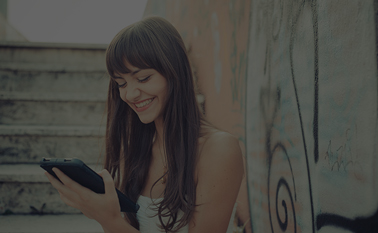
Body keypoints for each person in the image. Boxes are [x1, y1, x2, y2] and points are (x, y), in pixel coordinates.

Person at [45, 16, 244, 233]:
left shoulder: (218, 149)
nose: (130, 94)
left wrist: (109, 221)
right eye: (121, 83)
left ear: (174, 72)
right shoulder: (137, 150)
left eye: (143, 79)